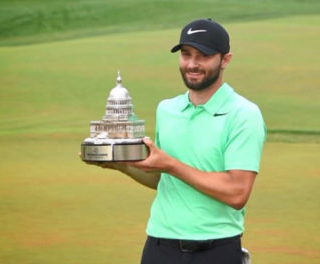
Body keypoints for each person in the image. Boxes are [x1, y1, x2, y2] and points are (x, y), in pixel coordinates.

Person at [83, 18, 266, 264]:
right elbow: (163, 179)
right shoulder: (167, 109)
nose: (192, 64)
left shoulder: (244, 114)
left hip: (216, 250)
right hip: (160, 246)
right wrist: (122, 164)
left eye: (203, 56)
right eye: (186, 54)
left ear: (225, 60)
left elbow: (237, 192)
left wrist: (170, 164)